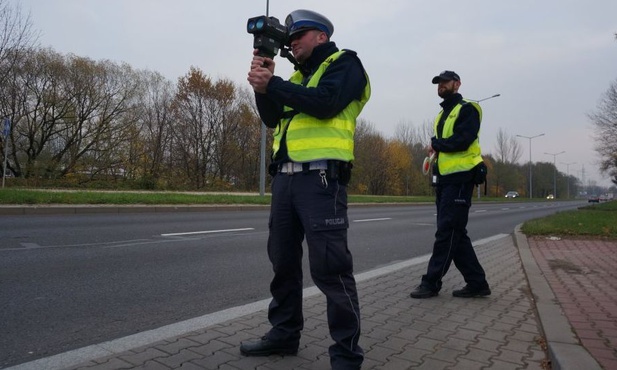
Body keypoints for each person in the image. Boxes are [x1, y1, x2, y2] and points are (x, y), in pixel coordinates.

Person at [240, 9, 370, 370]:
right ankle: (283, 334)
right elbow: (271, 118)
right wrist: (262, 85)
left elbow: (327, 104)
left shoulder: (346, 64)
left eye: (300, 35)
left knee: (330, 268)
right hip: (285, 178)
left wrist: (275, 84)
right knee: (282, 262)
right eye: (290, 38)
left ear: (322, 37)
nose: (292, 42)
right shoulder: (297, 77)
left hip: (321, 180)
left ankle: (346, 354)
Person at [409, 70, 491, 299]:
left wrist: (438, 144)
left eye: (445, 82)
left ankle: (431, 282)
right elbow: (445, 144)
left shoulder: (468, 108)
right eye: (438, 83)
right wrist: (435, 149)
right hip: (445, 179)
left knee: (447, 232)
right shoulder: (441, 115)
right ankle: (477, 283)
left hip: (462, 178)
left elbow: (463, 140)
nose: (441, 85)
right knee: (455, 233)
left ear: (457, 84)